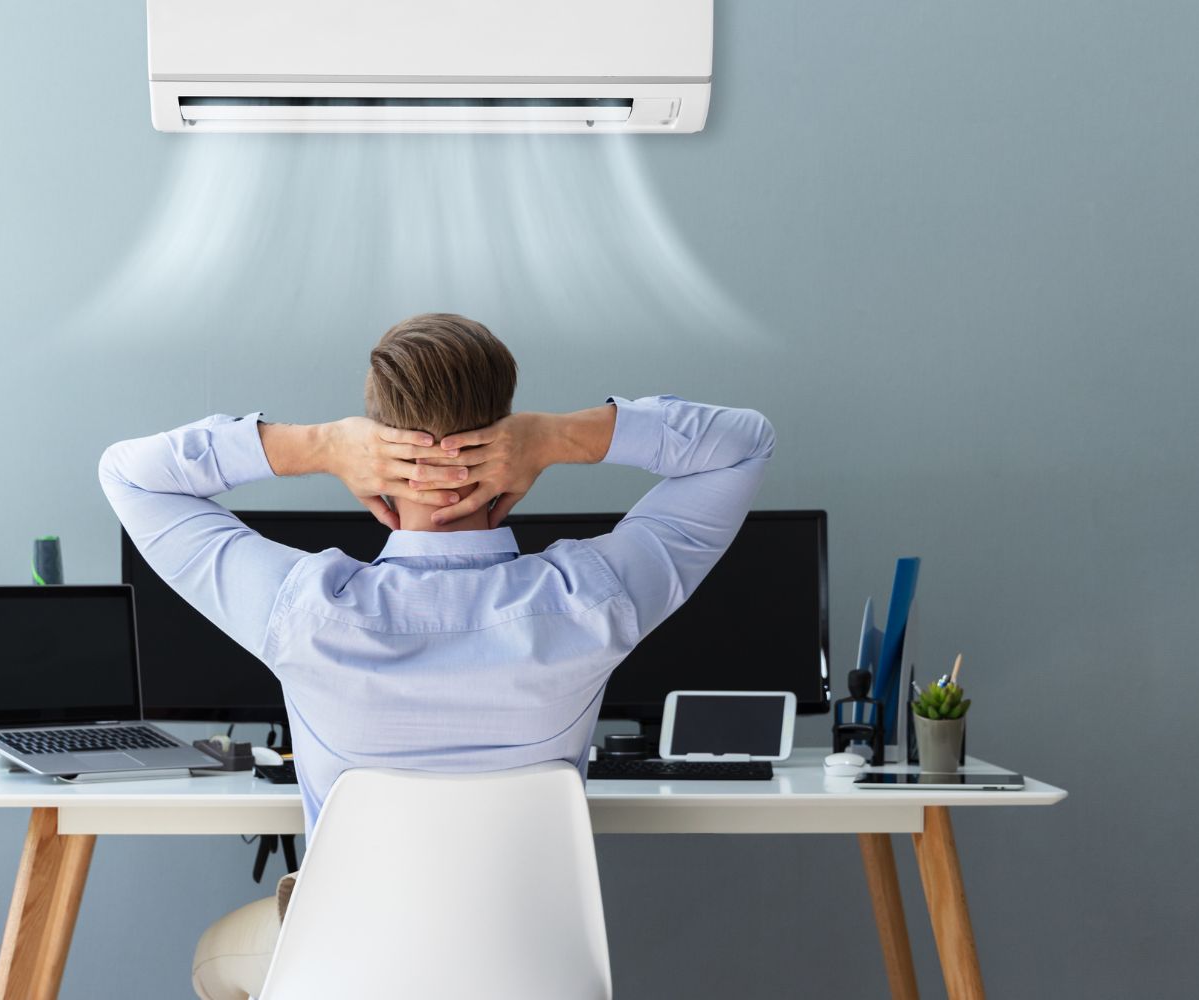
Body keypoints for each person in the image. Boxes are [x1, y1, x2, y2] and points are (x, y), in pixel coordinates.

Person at [97, 313, 775, 1000]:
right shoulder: (592, 601)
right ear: (506, 430)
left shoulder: (301, 614)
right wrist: (556, 438)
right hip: (535, 979)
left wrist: (321, 447)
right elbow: (745, 445)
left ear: (377, 440)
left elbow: (129, 475)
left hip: (349, 980)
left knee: (216, 957)